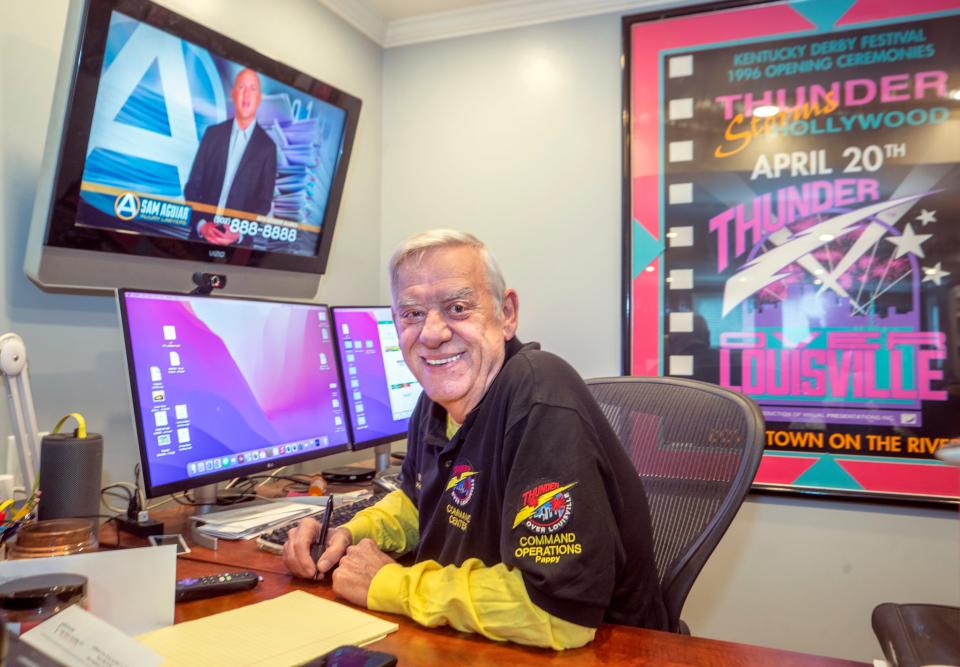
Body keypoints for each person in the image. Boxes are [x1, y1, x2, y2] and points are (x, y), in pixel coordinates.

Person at [283, 230, 667, 649]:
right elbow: (421, 500)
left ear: (507, 314)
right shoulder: (437, 402)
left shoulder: (541, 394)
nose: (431, 334)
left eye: (458, 308)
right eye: (411, 314)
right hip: (481, 644)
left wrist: (390, 583)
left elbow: (557, 612)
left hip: (608, 652)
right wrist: (349, 533)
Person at [183, 68, 277, 245]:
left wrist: (237, 232)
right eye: (241, 87)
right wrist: (202, 225)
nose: (247, 94)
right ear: (233, 93)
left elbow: (263, 203)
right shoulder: (212, 134)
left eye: (253, 89)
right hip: (198, 240)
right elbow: (192, 186)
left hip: (237, 249)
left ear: (259, 98)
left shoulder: (267, 147)